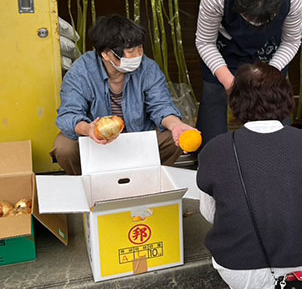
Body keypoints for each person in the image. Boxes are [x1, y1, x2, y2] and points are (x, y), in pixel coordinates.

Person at [196, 62, 302, 289]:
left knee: (246, 267)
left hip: (237, 270)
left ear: (235, 102)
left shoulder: (214, 150)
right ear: (287, 99)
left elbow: (209, 213)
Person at [52, 15, 196, 175]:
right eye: (130, 51)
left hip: (138, 137)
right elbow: (69, 114)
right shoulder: (81, 71)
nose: (138, 55)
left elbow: (161, 106)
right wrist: (89, 129)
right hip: (95, 142)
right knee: (64, 147)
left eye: (139, 48)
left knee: (174, 137)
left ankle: (147, 177)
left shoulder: (148, 68)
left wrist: (176, 125)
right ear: (106, 54)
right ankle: (88, 181)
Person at [195, 0, 302, 144]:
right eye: (249, 18)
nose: (254, 24)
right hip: (225, 46)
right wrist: (229, 83)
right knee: (214, 101)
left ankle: (278, 153)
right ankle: (212, 153)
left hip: (269, 49)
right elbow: (205, 41)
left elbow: (291, 42)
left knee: (273, 104)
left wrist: (270, 73)